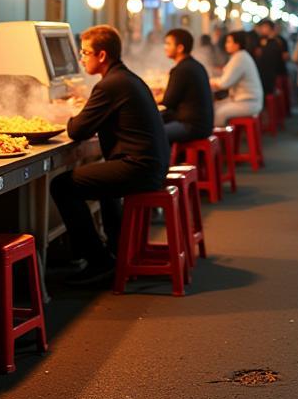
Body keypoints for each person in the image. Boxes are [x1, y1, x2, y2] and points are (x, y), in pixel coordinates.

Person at [51, 25, 170, 286]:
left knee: (62, 185)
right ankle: (115, 251)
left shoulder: (109, 85)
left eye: (85, 53)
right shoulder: (126, 78)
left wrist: (68, 117)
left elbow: (78, 130)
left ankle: (98, 261)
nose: (81, 59)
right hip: (152, 165)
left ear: (102, 56)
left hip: (139, 168)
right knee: (103, 183)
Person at [160, 28, 214, 148]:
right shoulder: (195, 65)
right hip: (203, 125)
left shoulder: (181, 70)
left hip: (191, 126)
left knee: (152, 133)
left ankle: (163, 166)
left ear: (180, 48)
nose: (165, 47)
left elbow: (168, 101)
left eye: (168, 44)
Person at [210, 30, 263, 127]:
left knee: (217, 113)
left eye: (229, 42)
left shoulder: (240, 58)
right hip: (246, 101)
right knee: (214, 107)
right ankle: (224, 140)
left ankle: (221, 140)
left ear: (237, 44)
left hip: (248, 103)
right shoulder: (240, 56)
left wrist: (210, 81)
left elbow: (224, 83)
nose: (226, 45)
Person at [253, 19, 285, 108]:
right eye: (262, 27)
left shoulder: (277, 41)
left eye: (265, 27)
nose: (262, 29)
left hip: (273, 74)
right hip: (260, 73)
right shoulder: (258, 40)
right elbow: (256, 54)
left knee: (270, 97)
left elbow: (283, 57)